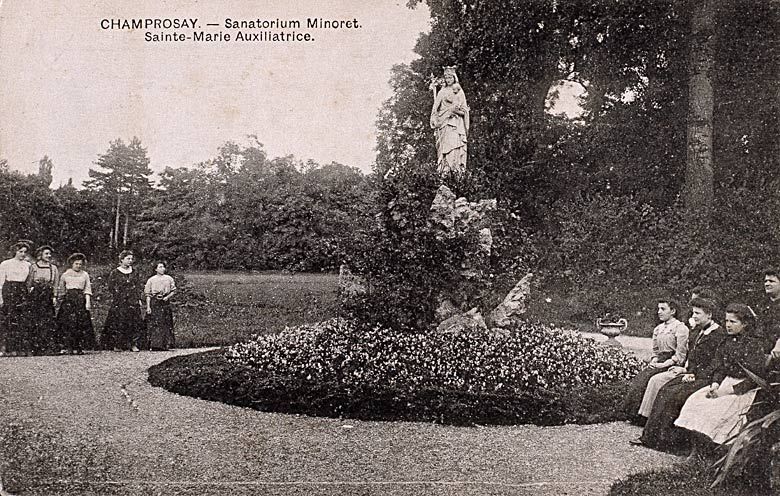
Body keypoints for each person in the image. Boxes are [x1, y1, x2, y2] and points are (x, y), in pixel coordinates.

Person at [631, 296, 725, 450]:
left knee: (674, 395)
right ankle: (651, 437)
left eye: (697, 313)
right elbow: (693, 357)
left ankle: (664, 441)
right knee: (665, 389)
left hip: (706, 378)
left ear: (709, 315)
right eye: (693, 313)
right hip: (692, 373)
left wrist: (696, 374)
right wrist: (686, 370)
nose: (693, 317)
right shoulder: (699, 332)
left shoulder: (718, 334)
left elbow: (717, 363)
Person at [674, 303, 766, 460]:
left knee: (718, 410)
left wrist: (726, 391)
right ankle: (697, 451)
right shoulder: (726, 342)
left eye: (733, 322)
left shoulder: (754, 345)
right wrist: (715, 385)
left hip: (742, 389)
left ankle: (715, 454)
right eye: (726, 321)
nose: (728, 325)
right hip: (723, 384)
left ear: (744, 324)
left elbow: (754, 378)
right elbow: (719, 368)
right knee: (695, 401)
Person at [622, 298, 689, 423]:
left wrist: (664, 364)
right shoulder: (658, 329)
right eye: (658, 309)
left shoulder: (680, 328)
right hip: (659, 360)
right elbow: (655, 351)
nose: (659, 312)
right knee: (641, 378)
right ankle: (634, 415)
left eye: (663, 309)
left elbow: (681, 355)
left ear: (673, 311)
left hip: (671, 362)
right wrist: (654, 360)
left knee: (652, 379)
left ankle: (646, 418)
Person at [101, 250, 144, 352]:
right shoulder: (115, 272)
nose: (130, 261)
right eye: (128, 258)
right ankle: (118, 344)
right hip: (120, 301)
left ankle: (133, 344)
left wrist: (138, 298)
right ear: (121, 260)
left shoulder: (134, 272)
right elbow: (111, 287)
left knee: (134, 322)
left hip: (133, 301)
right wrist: (119, 294)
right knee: (118, 322)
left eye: (131, 259)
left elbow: (138, 286)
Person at [430, 66, 469, 176]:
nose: (448, 80)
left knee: (455, 147)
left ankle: (456, 171)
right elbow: (435, 108)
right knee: (445, 148)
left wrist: (456, 111)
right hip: (444, 124)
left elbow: (465, 111)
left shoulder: (459, 92)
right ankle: (445, 172)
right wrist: (434, 118)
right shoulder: (441, 92)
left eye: (450, 77)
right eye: (446, 78)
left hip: (456, 124)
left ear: (454, 77)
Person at [56, 253, 95, 354]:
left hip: (80, 300)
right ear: (72, 264)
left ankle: (78, 347)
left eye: (80, 264)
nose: (78, 266)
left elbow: (87, 289)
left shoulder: (85, 275)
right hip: (69, 300)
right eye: (76, 264)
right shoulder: (65, 275)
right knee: (68, 323)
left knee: (80, 324)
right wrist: (60, 300)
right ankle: (68, 346)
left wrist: (87, 302)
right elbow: (62, 290)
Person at [0, 241, 32, 356]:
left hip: (22, 291)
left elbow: (28, 281)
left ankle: (21, 348)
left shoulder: (28, 265)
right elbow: (1, 282)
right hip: (9, 291)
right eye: (20, 251)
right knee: (9, 320)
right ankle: (7, 349)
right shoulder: (6, 264)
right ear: (15, 251)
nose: (23, 254)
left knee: (22, 320)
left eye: (25, 252)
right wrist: (1, 298)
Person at [26, 245, 60, 354]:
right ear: (40, 255)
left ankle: (48, 347)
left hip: (47, 296)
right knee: (36, 320)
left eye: (50, 254)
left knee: (48, 321)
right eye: (46, 254)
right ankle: (35, 347)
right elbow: (29, 283)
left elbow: (55, 284)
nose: (48, 256)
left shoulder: (53, 268)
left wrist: (54, 296)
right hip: (36, 296)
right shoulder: (34, 267)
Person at [144, 261, 176, 351]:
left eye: (163, 267)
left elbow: (173, 290)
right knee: (156, 323)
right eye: (160, 267)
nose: (162, 269)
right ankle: (155, 344)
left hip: (165, 302)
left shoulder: (169, 278)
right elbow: (148, 295)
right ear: (155, 269)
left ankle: (166, 344)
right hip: (155, 302)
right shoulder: (151, 280)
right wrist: (148, 307)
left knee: (166, 322)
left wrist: (167, 297)